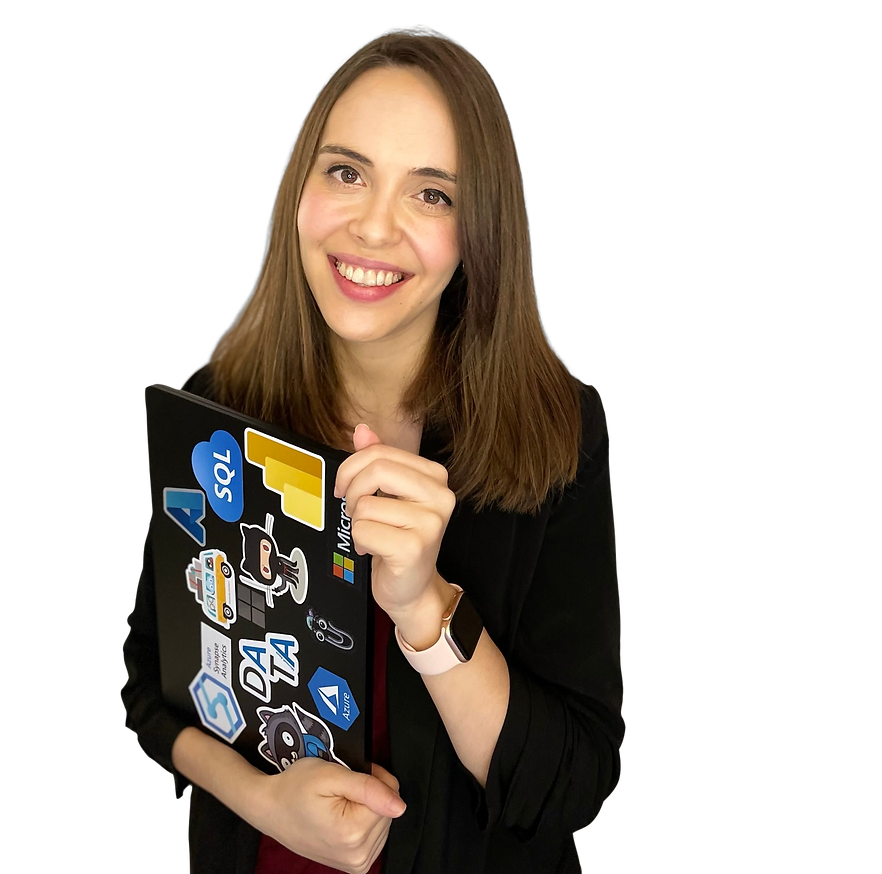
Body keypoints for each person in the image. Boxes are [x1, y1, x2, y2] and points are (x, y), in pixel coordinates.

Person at [122, 26, 624, 874]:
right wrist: (262, 802)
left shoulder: (558, 432)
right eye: (347, 172)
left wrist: (425, 608)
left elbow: (573, 787)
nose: (373, 226)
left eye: (431, 194)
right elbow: (149, 684)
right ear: (299, 189)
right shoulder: (217, 406)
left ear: (479, 231)